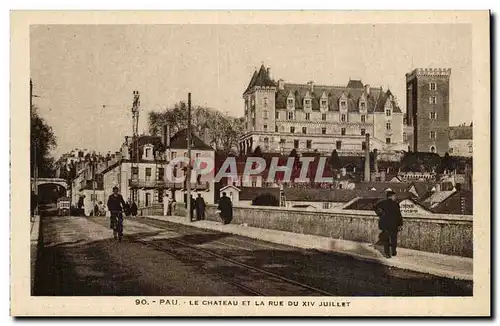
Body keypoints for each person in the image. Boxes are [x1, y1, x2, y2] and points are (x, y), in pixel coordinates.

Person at [373, 191, 403, 258]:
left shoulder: (383, 203)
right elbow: (399, 216)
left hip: (385, 224)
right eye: (394, 196)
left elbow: (374, 207)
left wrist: (380, 213)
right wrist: (400, 224)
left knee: (386, 239)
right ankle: (393, 252)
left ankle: (387, 254)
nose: (395, 197)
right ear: (391, 196)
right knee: (394, 239)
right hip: (394, 224)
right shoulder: (396, 204)